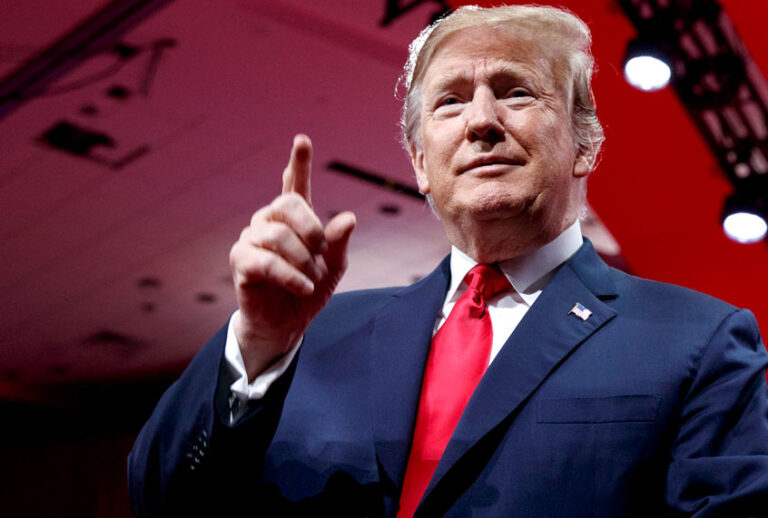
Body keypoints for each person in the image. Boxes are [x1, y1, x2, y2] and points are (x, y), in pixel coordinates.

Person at [128, 5, 768, 517]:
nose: (481, 121)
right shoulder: (305, 340)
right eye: (451, 101)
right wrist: (258, 343)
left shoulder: (699, 341)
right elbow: (160, 500)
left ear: (585, 145)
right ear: (420, 164)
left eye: (516, 92)